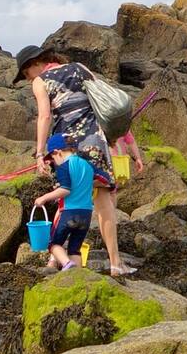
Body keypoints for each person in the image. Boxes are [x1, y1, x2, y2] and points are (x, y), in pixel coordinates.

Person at [16, 46, 143, 275]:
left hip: (66, 148)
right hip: (94, 140)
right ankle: (116, 263)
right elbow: (102, 98)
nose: (28, 79)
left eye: (26, 74)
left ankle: (54, 259)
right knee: (104, 201)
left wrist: (40, 153)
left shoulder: (41, 81)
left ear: (35, 64)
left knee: (66, 199)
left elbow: (45, 116)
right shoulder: (79, 68)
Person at [34, 136, 95, 271]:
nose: (54, 162)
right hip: (86, 213)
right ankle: (78, 275)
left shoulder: (63, 166)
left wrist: (44, 198)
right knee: (75, 248)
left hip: (69, 212)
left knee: (53, 244)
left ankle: (67, 263)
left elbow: (65, 190)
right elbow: (100, 180)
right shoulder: (88, 165)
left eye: (53, 158)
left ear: (58, 152)